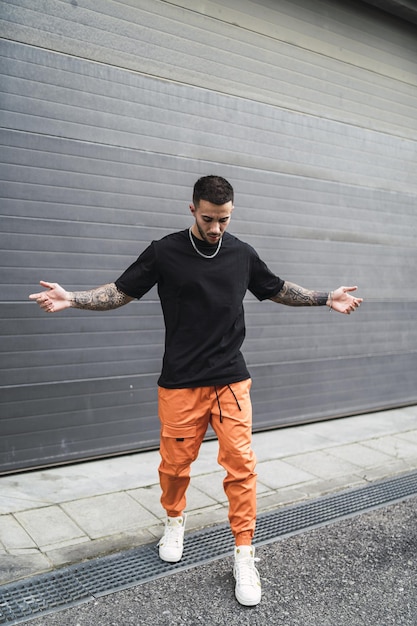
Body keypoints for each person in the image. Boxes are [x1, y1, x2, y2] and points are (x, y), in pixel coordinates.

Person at [30, 175, 362, 606]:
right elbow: (120, 292)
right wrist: (72, 298)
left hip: (230, 380)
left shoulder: (241, 253)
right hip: (181, 382)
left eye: (223, 219)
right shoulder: (164, 252)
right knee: (174, 466)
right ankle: (174, 520)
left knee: (242, 467)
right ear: (192, 209)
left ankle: (244, 553)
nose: (216, 228)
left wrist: (323, 297)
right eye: (208, 219)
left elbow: (276, 288)